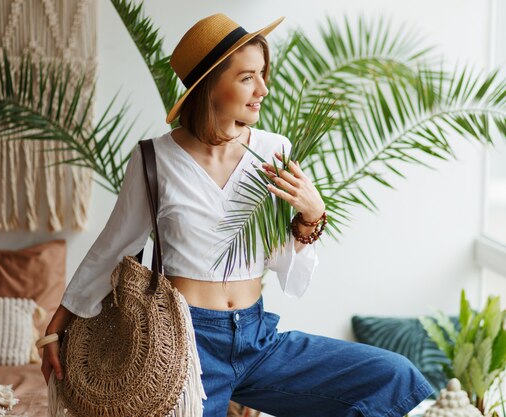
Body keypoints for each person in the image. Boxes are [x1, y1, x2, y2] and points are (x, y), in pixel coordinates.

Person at [39, 13, 434, 417]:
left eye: (262, 73)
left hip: (259, 338)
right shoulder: (154, 159)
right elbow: (113, 246)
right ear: (210, 86)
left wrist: (312, 216)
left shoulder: (274, 150)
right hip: (183, 347)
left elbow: (285, 264)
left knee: (392, 377)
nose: (263, 88)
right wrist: (55, 329)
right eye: (247, 77)